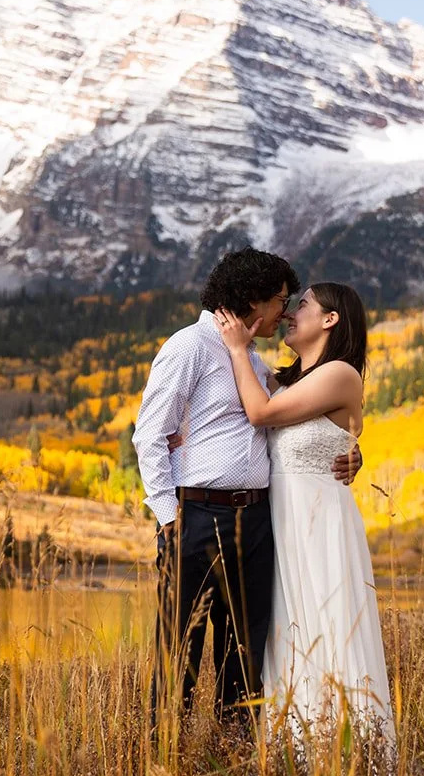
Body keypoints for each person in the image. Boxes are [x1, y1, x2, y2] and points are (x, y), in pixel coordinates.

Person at [134, 249, 360, 733]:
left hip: (257, 523)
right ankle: (161, 766)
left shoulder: (254, 364)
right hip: (196, 518)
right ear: (253, 300)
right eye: (281, 300)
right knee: (181, 649)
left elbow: (304, 420)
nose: (285, 312)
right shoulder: (189, 346)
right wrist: (169, 517)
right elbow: (149, 435)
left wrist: (348, 450)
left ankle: (234, 760)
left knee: (245, 652)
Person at [214, 282, 395, 745]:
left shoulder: (340, 374)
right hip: (284, 525)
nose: (293, 313)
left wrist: (237, 348)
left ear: (331, 320)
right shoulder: (292, 379)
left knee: (327, 629)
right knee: (288, 634)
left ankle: (346, 755)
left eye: (305, 305)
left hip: (320, 526)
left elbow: (259, 413)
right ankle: (294, 754)